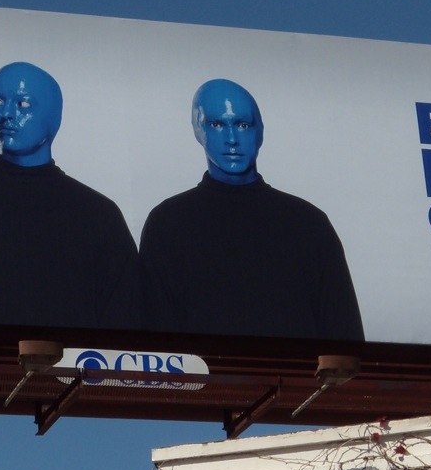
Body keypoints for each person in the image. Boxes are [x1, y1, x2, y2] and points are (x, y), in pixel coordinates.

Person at [0, 62, 139, 329]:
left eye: (23, 105)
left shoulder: (99, 216)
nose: (5, 114)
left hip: (65, 371)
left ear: (54, 116)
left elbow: (124, 328)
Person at [139, 79, 364, 341]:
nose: (232, 139)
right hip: (207, 381)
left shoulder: (308, 224)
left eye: (243, 125)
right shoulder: (169, 223)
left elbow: (346, 341)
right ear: (197, 130)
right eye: (216, 124)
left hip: (297, 381)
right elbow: (155, 343)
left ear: (261, 131)